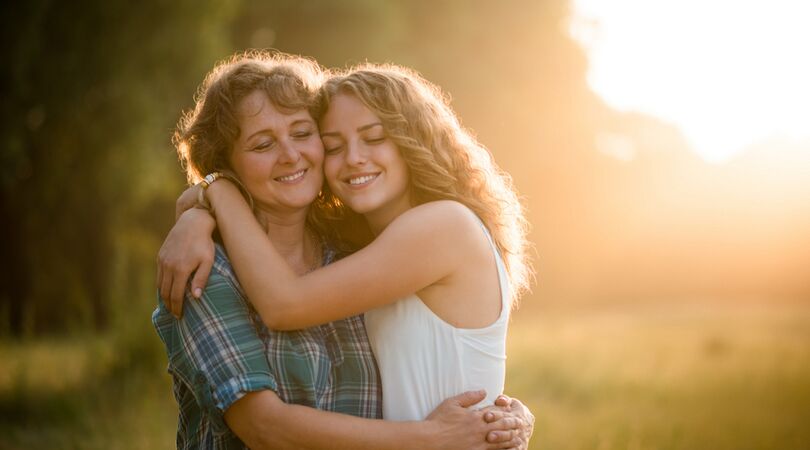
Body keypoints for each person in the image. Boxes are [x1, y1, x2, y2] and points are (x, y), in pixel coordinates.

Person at [154, 51, 532, 449]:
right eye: (334, 145)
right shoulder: (212, 267)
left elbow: (287, 304)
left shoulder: (431, 230)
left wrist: (215, 192)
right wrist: (202, 205)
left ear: (412, 142)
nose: (353, 158)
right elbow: (263, 427)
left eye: (373, 138)